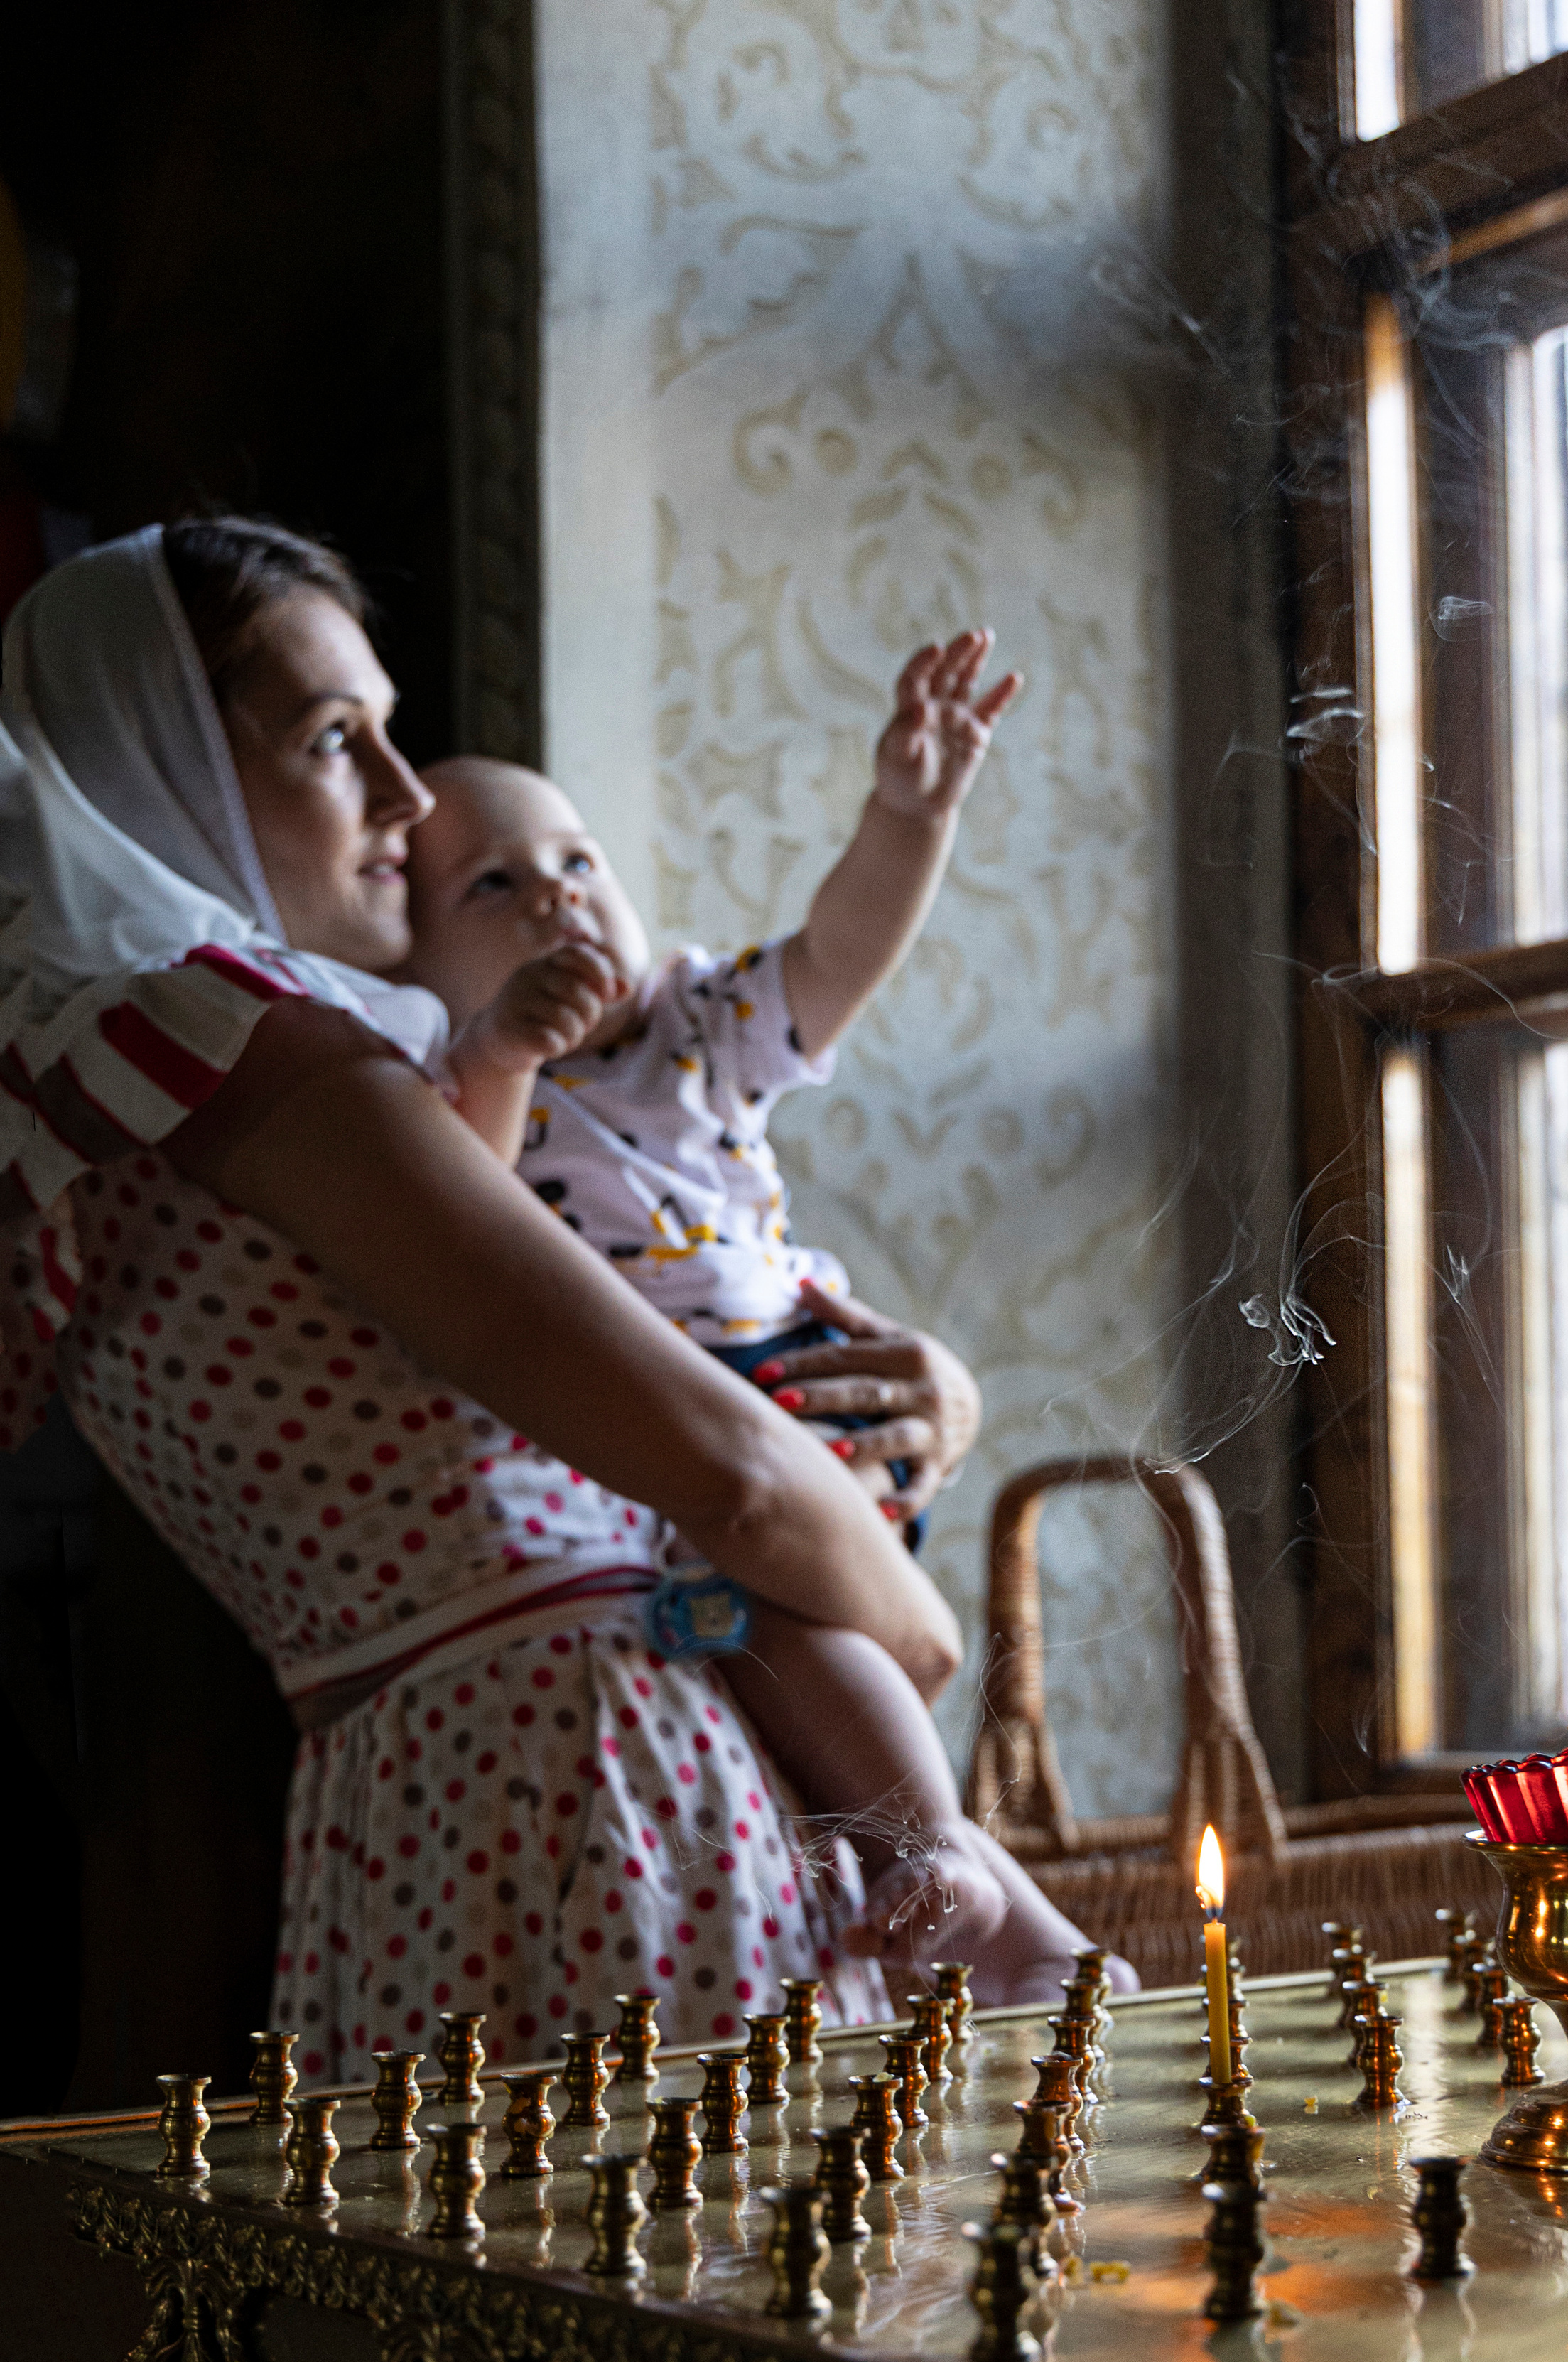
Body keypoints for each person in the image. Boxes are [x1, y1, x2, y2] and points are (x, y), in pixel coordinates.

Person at [0, 516, 1116, 2085]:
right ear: (161, 763)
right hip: (599, 1770)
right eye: (335, 741)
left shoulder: (85, 1083)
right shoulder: (247, 1045)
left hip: (416, 1795)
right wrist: (914, 1614)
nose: (404, 798)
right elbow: (721, 1465)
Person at [394, 643, 1096, 1992]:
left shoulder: (694, 1023)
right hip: (651, 1416)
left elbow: (840, 949)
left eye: (580, 861)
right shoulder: (454, 1072)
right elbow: (462, 1225)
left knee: (777, 1635)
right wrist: (497, 1050)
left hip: (780, 1390)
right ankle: (1032, 1947)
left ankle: (935, 1849)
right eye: (497, 885)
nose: (558, 897)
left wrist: (908, 816)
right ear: (416, 956)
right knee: (775, 1673)